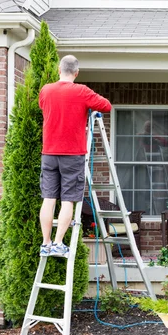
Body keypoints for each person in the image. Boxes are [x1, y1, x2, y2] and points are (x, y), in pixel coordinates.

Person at [38, 55, 112, 257]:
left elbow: (44, 107)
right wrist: (85, 107)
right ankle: (59, 243)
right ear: (76, 73)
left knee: (49, 198)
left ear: (58, 70)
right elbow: (106, 105)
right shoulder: (81, 91)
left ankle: (45, 243)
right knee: (68, 199)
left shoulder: (46, 90)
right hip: (72, 154)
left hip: (49, 153)